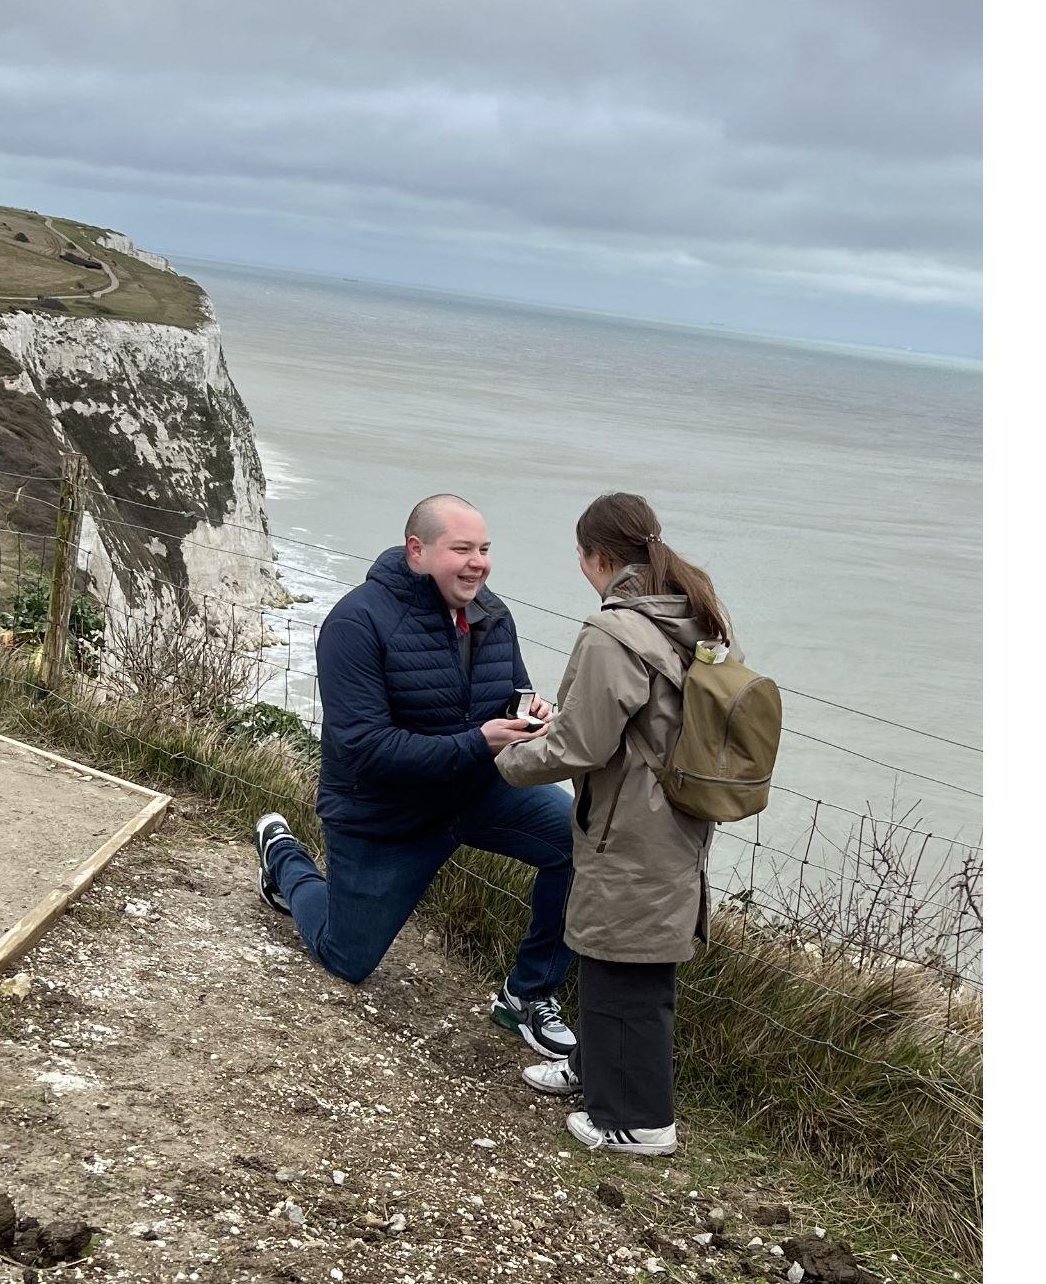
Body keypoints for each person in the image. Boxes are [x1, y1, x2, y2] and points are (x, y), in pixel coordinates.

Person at [252, 494, 578, 1059]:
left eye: (484, 549)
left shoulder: (492, 614)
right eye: (462, 549)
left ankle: (527, 995)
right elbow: (365, 749)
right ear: (417, 551)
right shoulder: (355, 623)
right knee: (346, 959)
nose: (478, 563)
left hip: (477, 793)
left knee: (582, 842)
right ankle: (283, 860)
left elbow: (508, 692)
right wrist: (478, 740)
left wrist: (532, 714)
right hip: (385, 812)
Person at [493, 491, 732, 1157]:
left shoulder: (614, 632)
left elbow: (580, 745)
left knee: (628, 969)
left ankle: (641, 1123)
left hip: (631, 821)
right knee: (615, 955)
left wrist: (507, 759)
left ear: (592, 557)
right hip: (673, 816)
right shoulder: (688, 616)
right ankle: (597, 1072)